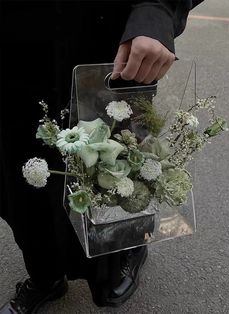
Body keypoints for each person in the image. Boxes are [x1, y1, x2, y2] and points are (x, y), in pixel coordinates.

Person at [0, 0, 204, 313]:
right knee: (25, 174)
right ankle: (44, 274)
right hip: (17, 49)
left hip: (110, 46)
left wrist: (155, 12)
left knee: (116, 171)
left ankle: (125, 254)